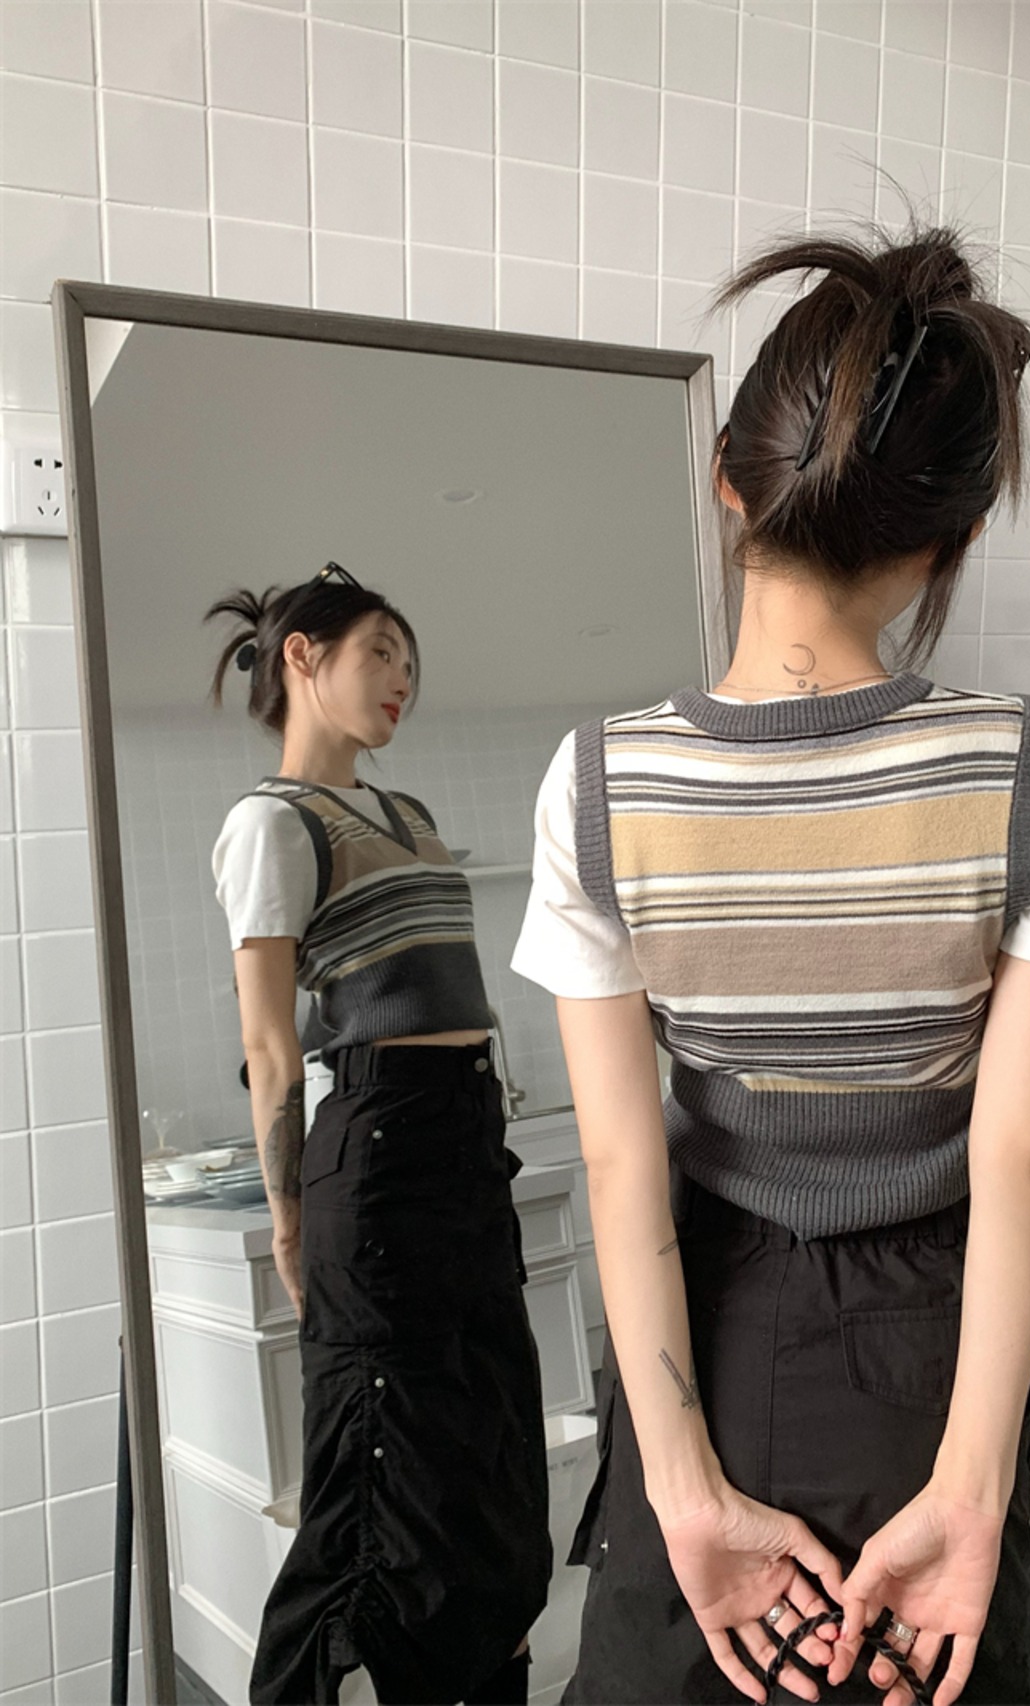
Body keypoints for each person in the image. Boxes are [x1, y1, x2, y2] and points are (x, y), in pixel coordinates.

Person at [509, 224, 1030, 1706]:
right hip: (933, 1344)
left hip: (702, 1323)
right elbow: (1022, 1155)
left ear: (728, 480)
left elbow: (618, 1159)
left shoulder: (597, 782)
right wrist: (972, 1492)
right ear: (953, 535)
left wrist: (679, 1485)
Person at [206, 562, 553, 1705]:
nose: (402, 677)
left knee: (491, 1438)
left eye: (409, 659)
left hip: (464, 1142)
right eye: (380, 652)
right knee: (372, 1469)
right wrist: (289, 1214)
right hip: (377, 1146)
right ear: (302, 656)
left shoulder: (410, 816)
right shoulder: (271, 822)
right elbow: (269, 1044)